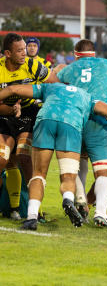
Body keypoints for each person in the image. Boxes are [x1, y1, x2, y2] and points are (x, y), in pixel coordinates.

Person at [0, 82, 107, 231]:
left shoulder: (51, 87)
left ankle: (32, 217)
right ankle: (68, 198)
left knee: (38, 174)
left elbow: (13, 89)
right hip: (71, 124)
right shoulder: (88, 97)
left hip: (46, 120)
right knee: (68, 175)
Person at [55, 39, 107, 228]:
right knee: (104, 170)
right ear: (94, 53)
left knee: (77, 161)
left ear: (76, 54)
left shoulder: (69, 68)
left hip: (74, 120)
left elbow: (58, 88)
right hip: (99, 120)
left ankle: (80, 199)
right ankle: (100, 212)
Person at [0, 33, 59, 220]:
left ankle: (35, 210)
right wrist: (10, 111)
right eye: (20, 51)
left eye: (25, 49)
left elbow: (56, 85)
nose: (25, 54)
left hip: (29, 114)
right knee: (2, 160)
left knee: (24, 158)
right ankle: (13, 209)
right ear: (7, 53)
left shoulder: (34, 65)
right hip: (5, 116)